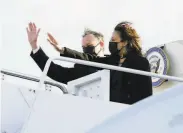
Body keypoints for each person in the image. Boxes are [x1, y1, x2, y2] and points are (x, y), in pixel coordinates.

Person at [49, 21, 153, 104]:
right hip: (110, 111)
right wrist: (63, 50)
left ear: (124, 42)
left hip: (128, 114)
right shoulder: (111, 61)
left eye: (113, 39)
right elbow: (88, 58)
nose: (111, 42)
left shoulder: (140, 62)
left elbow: (146, 96)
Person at [26, 22, 105, 84]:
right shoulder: (81, 68)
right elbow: (54, 71)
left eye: (89, 45)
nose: (86, 49)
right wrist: (34, 46)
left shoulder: (115, 64)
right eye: (84, 47)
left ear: (101, 44)